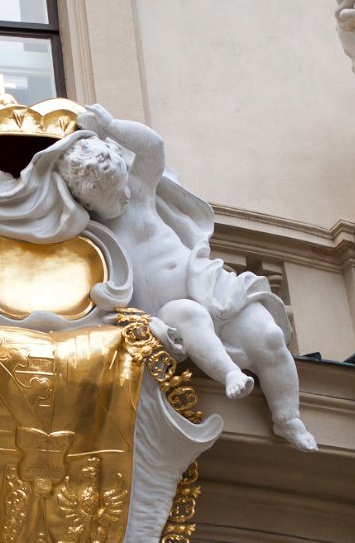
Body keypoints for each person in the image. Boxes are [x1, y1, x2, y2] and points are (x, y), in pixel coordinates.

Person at [74, 104, 317, 451]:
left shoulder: (138, 196)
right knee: (189, 315)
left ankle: (287, 417)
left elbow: (152, 147)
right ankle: (230, 372)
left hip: (208, 285)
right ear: (87, 200)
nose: (123, 195)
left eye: (122, 185)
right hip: (166, 314)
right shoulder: (87, 230)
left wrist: (112, 127)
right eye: (112, 195)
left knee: (269, 336)